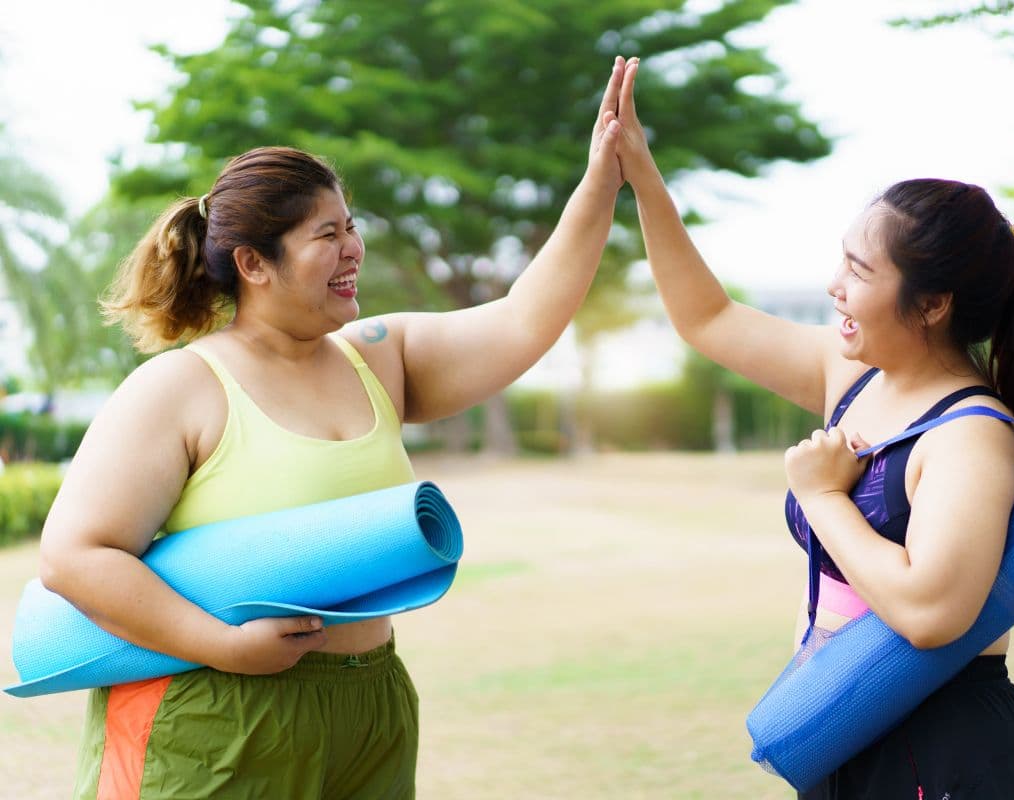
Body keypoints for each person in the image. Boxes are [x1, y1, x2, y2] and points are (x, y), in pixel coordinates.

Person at [39, 59, 629, 800]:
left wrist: (602, 179)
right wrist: (221, 646)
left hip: (368, 699)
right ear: (254, 262)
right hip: (215, 707)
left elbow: (524, 317)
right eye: (327, 234)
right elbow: (73, 556)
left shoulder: (380, 359)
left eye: (351, 227)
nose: (353, 248)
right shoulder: (181, 386)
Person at [610, 60, 1014, 798]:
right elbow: (707, 318)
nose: (835, 284)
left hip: (941, 749)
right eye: (841, 258)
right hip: (845, 718)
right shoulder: (855, 374)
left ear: (932, 304)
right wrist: (642, 176)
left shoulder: (970, 435)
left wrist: (823, 497)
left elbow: (931, 613)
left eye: (859, 271)